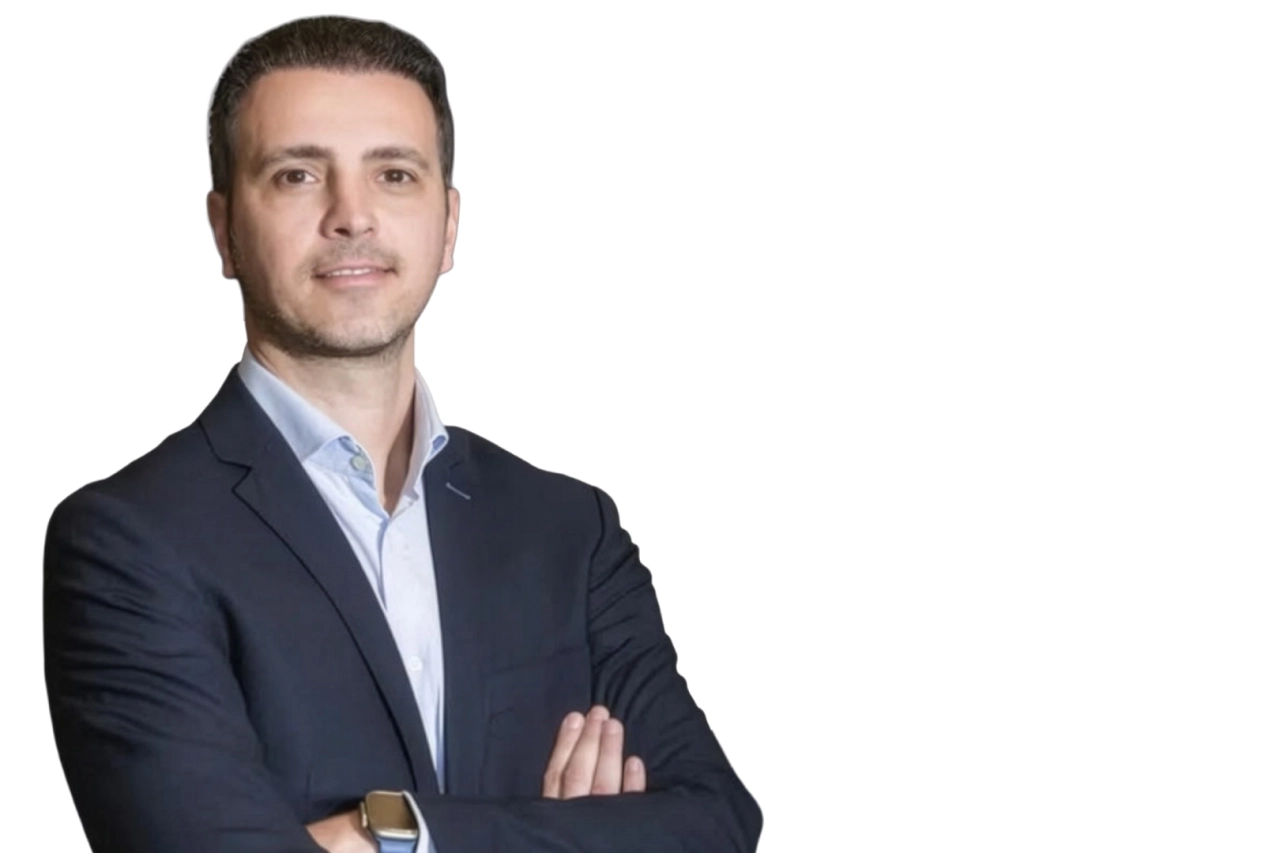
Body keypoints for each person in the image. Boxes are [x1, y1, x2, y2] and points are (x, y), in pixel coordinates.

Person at [42, 14, 761, 853]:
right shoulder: (129, 542)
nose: (352, 215)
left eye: (394, 173)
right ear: (224, 228)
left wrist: (391, 831)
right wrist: (574, 835)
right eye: (298, 175)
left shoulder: (570, 532)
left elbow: (716, 823)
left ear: (448, 224)